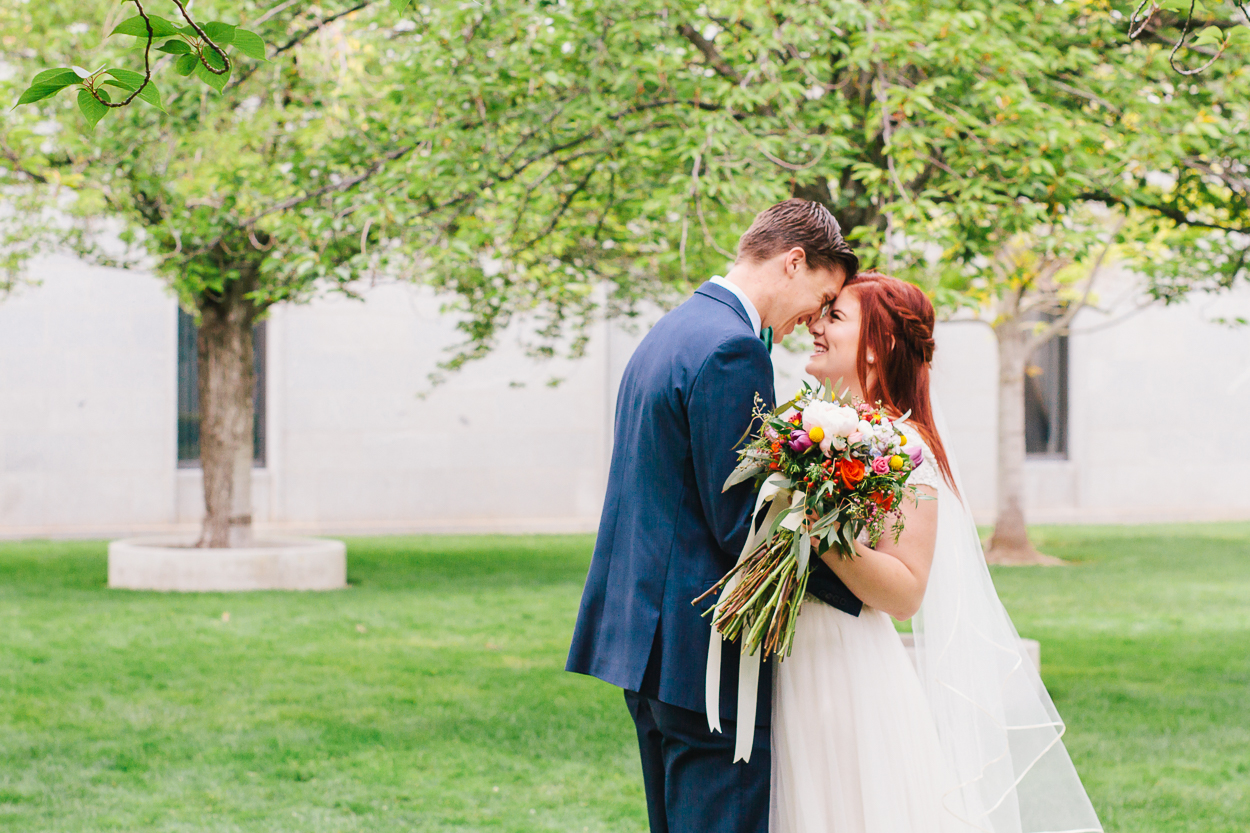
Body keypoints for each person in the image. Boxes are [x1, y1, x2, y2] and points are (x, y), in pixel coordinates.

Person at [771, 270, 1103, 833]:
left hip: (843, 668)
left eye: (835, 317)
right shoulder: (806, 431)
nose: (815, 326)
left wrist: (814, 527)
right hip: (792, 658)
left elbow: (905, 591)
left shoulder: (906, 451)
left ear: (879, 349)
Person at [566, 198, 858, 833]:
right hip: (700, 652)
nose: (815, 317)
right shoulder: (733, 349)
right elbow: (742, 523)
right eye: (824, 294)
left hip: (644, 641)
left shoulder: (674, 329)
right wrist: (863, 585)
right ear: (794, 261)